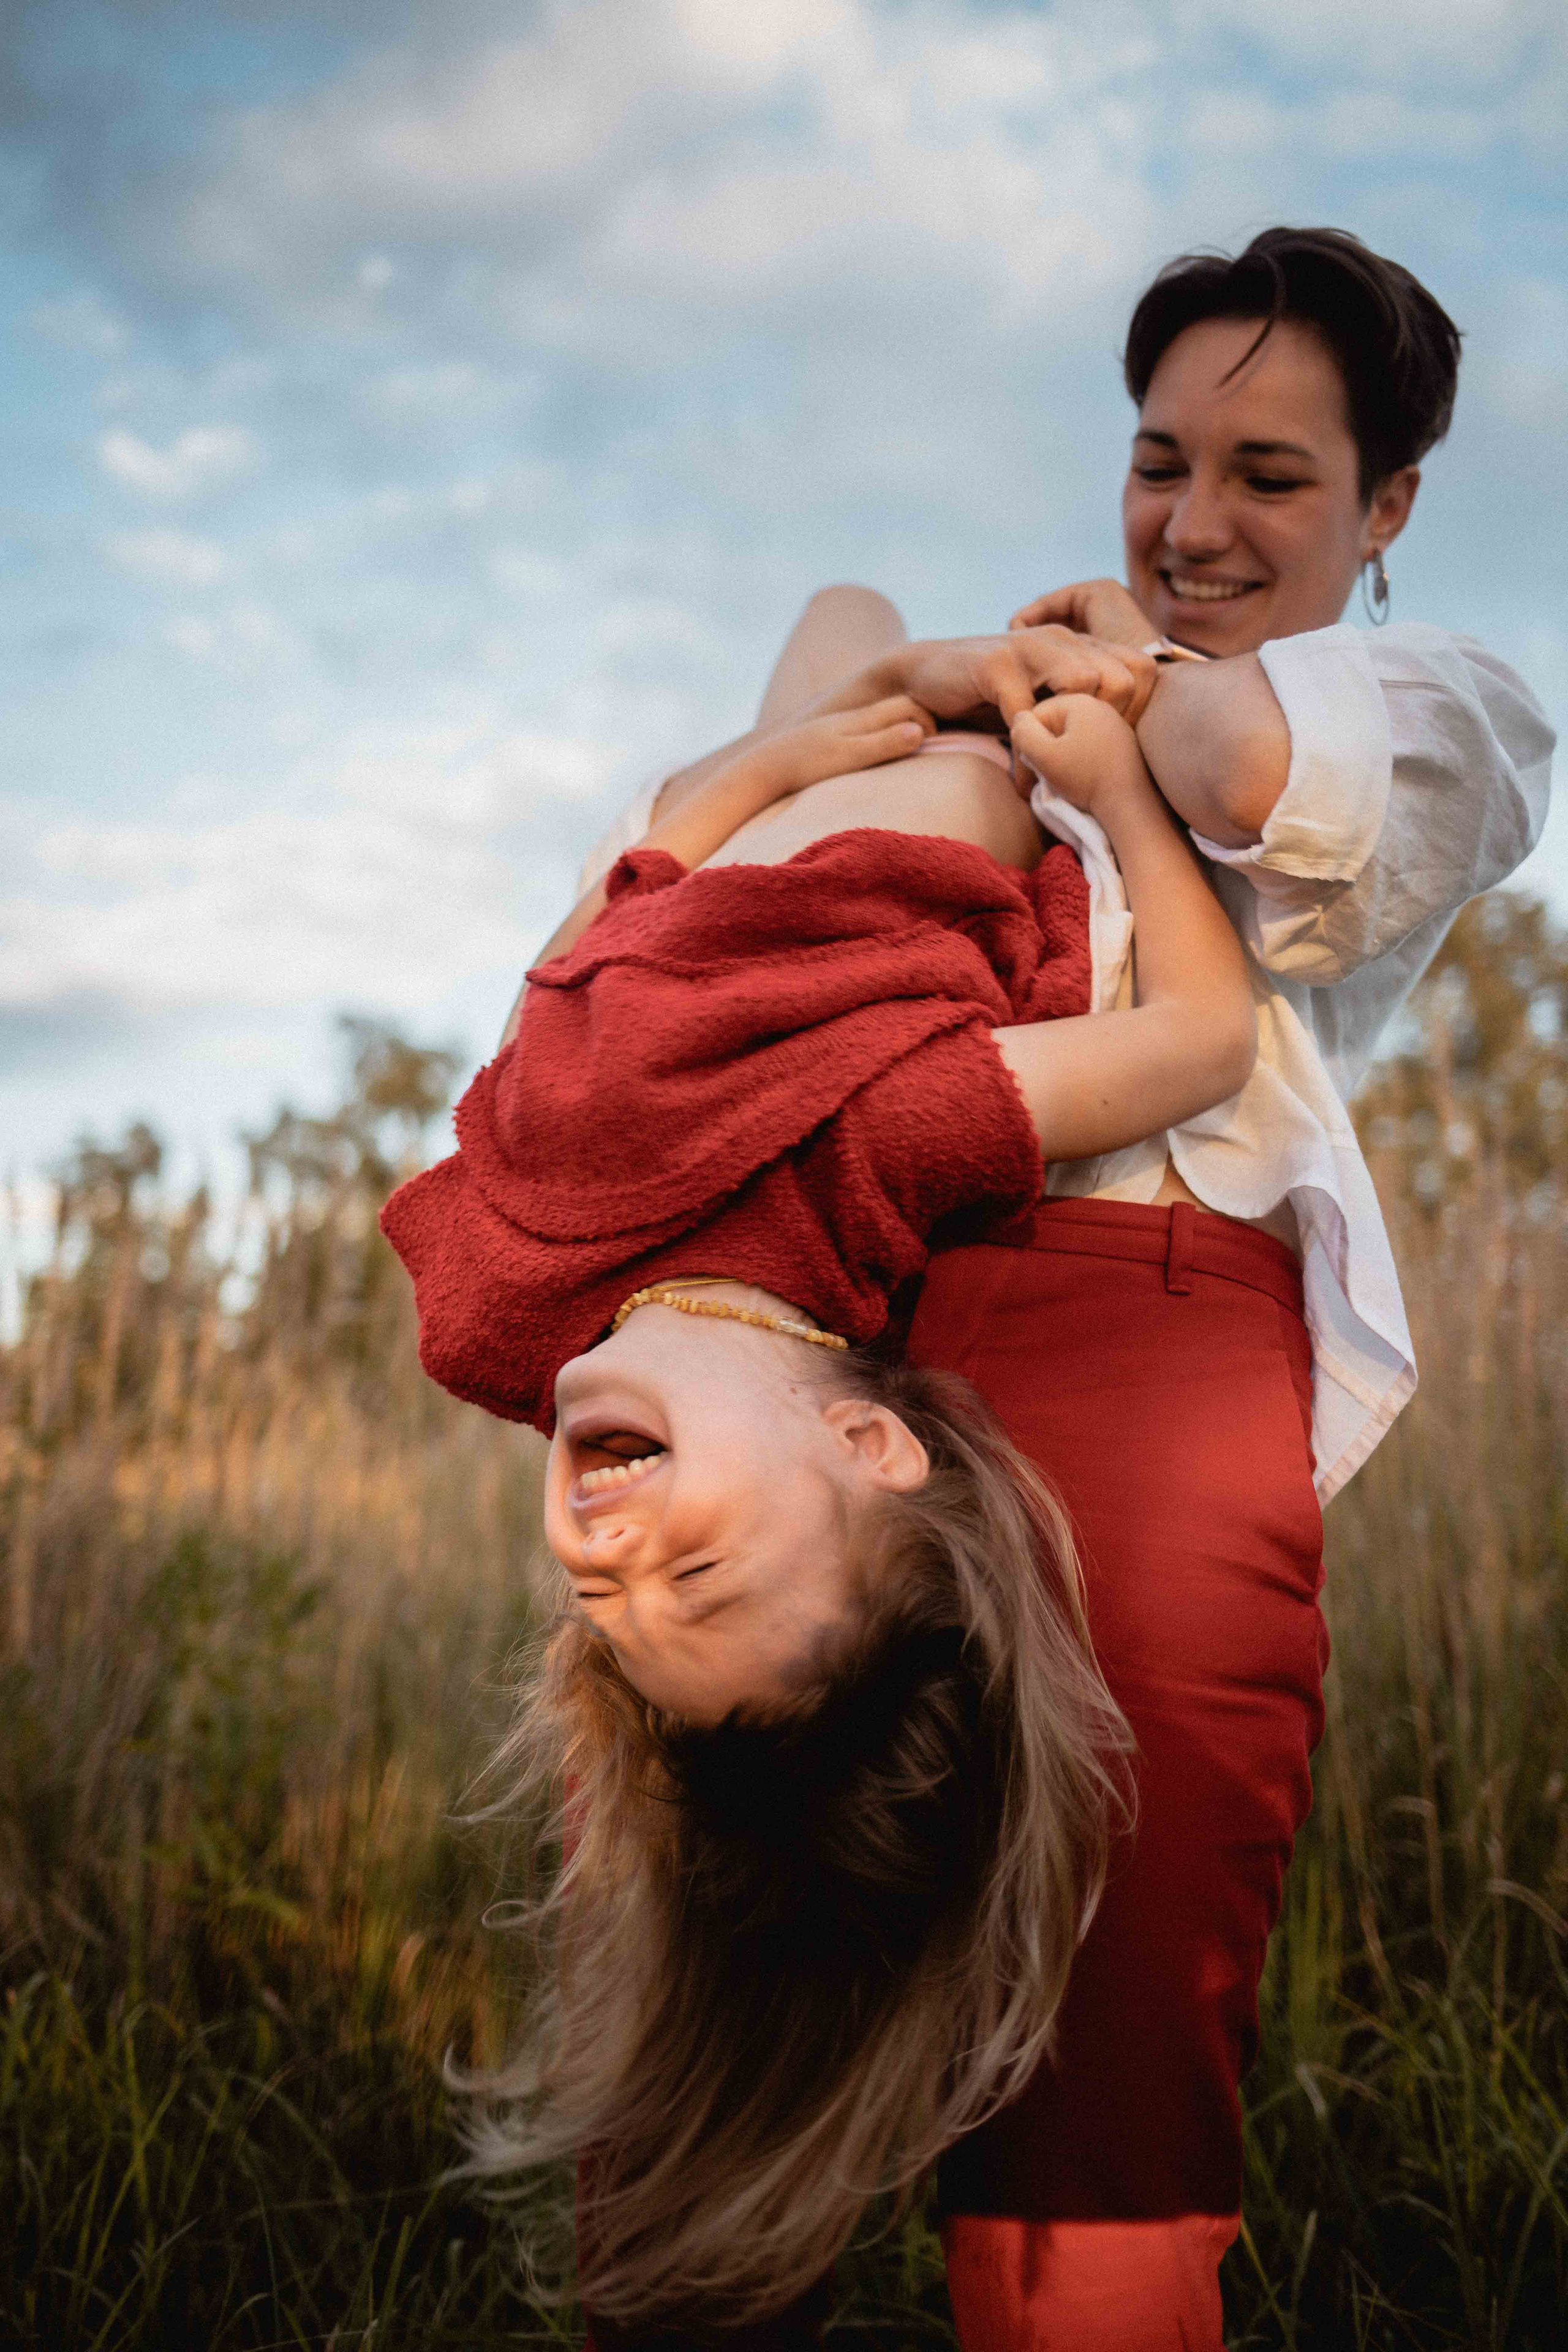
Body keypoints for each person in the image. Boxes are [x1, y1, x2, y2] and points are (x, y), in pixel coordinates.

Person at [567, 228, 1554, 2348]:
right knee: (732, 1963)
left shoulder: (1436, 696)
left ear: (1387, 510)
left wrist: (1084, 670)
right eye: (1157, 460)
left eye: (1272, 478)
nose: (1197, 523)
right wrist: (941, 702)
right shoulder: (1008, 728)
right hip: (846, 1309)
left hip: (1143, 1308)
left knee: (1101, 2038)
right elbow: (696, 873)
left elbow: (1239, 779)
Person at [382, 682, 1260, 2328]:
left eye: (609, 1613)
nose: (609, 1559)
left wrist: (749, 772)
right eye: (696, 1571)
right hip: (958, 771)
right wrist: (1118, 804)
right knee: (926, 641)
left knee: (836, 628)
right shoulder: (866, 1157)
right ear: (872, 1453)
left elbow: (573, 977)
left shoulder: (503, 1310)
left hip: (781, 771)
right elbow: (1205, 1044)